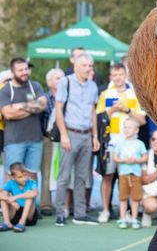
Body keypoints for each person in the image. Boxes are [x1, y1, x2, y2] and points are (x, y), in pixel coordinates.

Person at [96, 63, 146, 223]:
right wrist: (113, 110)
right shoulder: (105, 94)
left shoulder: (134, 94)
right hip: (111, 143)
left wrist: (127, 110)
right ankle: (105, 210)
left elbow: (142, 120)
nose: (118, 78)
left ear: (126, 75)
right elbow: (99, 119)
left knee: (130, 178)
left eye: (120, 75)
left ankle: (130, 213)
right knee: (107, 176)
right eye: (115, 75)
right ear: (111, 77)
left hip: (130, 145)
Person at [54, 52, 100, 227]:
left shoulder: (93, 86)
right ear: (76, 66)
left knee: (82, 177)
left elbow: (93, 112)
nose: (88, 68)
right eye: (85, 65)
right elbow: (58, 110)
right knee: (64, 176)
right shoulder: (65, 82)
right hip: (70, 133)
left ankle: (80, 214)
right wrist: (64, 135)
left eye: (90, 65)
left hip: (87, 135)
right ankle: (60, 214)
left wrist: (95, 136)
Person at [0, 58, 47, 181]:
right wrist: (32, 107)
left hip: (35, 140)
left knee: (32, 176)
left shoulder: (35, 86)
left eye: (26, 69)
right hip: (14, 141)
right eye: (20, 70)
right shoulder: (6, 90)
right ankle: (11, 195)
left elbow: (42, 105)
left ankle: (30, 196)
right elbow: (8, 114)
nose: (25, 72)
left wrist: (18, 106)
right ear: (12, 72)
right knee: (13, 177)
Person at [113, 117, 148, 229]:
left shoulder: (139, 144)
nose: (126, 129)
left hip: (136, 174)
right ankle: (123, 218)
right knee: (123, 197)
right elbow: (115, 157)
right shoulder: (120, 143)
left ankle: (134, 218)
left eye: (129, 127)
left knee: (135, 198)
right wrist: (123, 160)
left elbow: (145, 157)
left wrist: (135, 160)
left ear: (136, 130)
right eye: (125, 127)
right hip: (123, 174)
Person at [40, 68, 65, 216]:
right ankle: (46, 204)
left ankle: (67, 204)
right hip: (48, 139)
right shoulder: (43, 98)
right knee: (47, 172)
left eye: (62, 77)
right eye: (57, 78)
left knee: (66, 172)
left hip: (66, 138)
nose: (61, 80)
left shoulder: (69, 96)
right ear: (49, 82)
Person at [0, 162, 39, 232]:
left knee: (29, 194)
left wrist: (15, 197)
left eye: (25, 175)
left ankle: (22, 222)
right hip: (15, 213)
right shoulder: (10, 183)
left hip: (29, 217)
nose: (24, 178)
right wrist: (11, 201)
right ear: (12, 177)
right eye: (20, 177)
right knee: (3, 195)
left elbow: (35, 193)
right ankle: (7, 222)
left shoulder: (31, 182)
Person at [141, 129, 157, 227]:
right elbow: (143, 180)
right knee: (151, 206)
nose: (155, 142)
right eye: (153, 139)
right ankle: (147, 213)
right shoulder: (146, 156)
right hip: (149, 193)